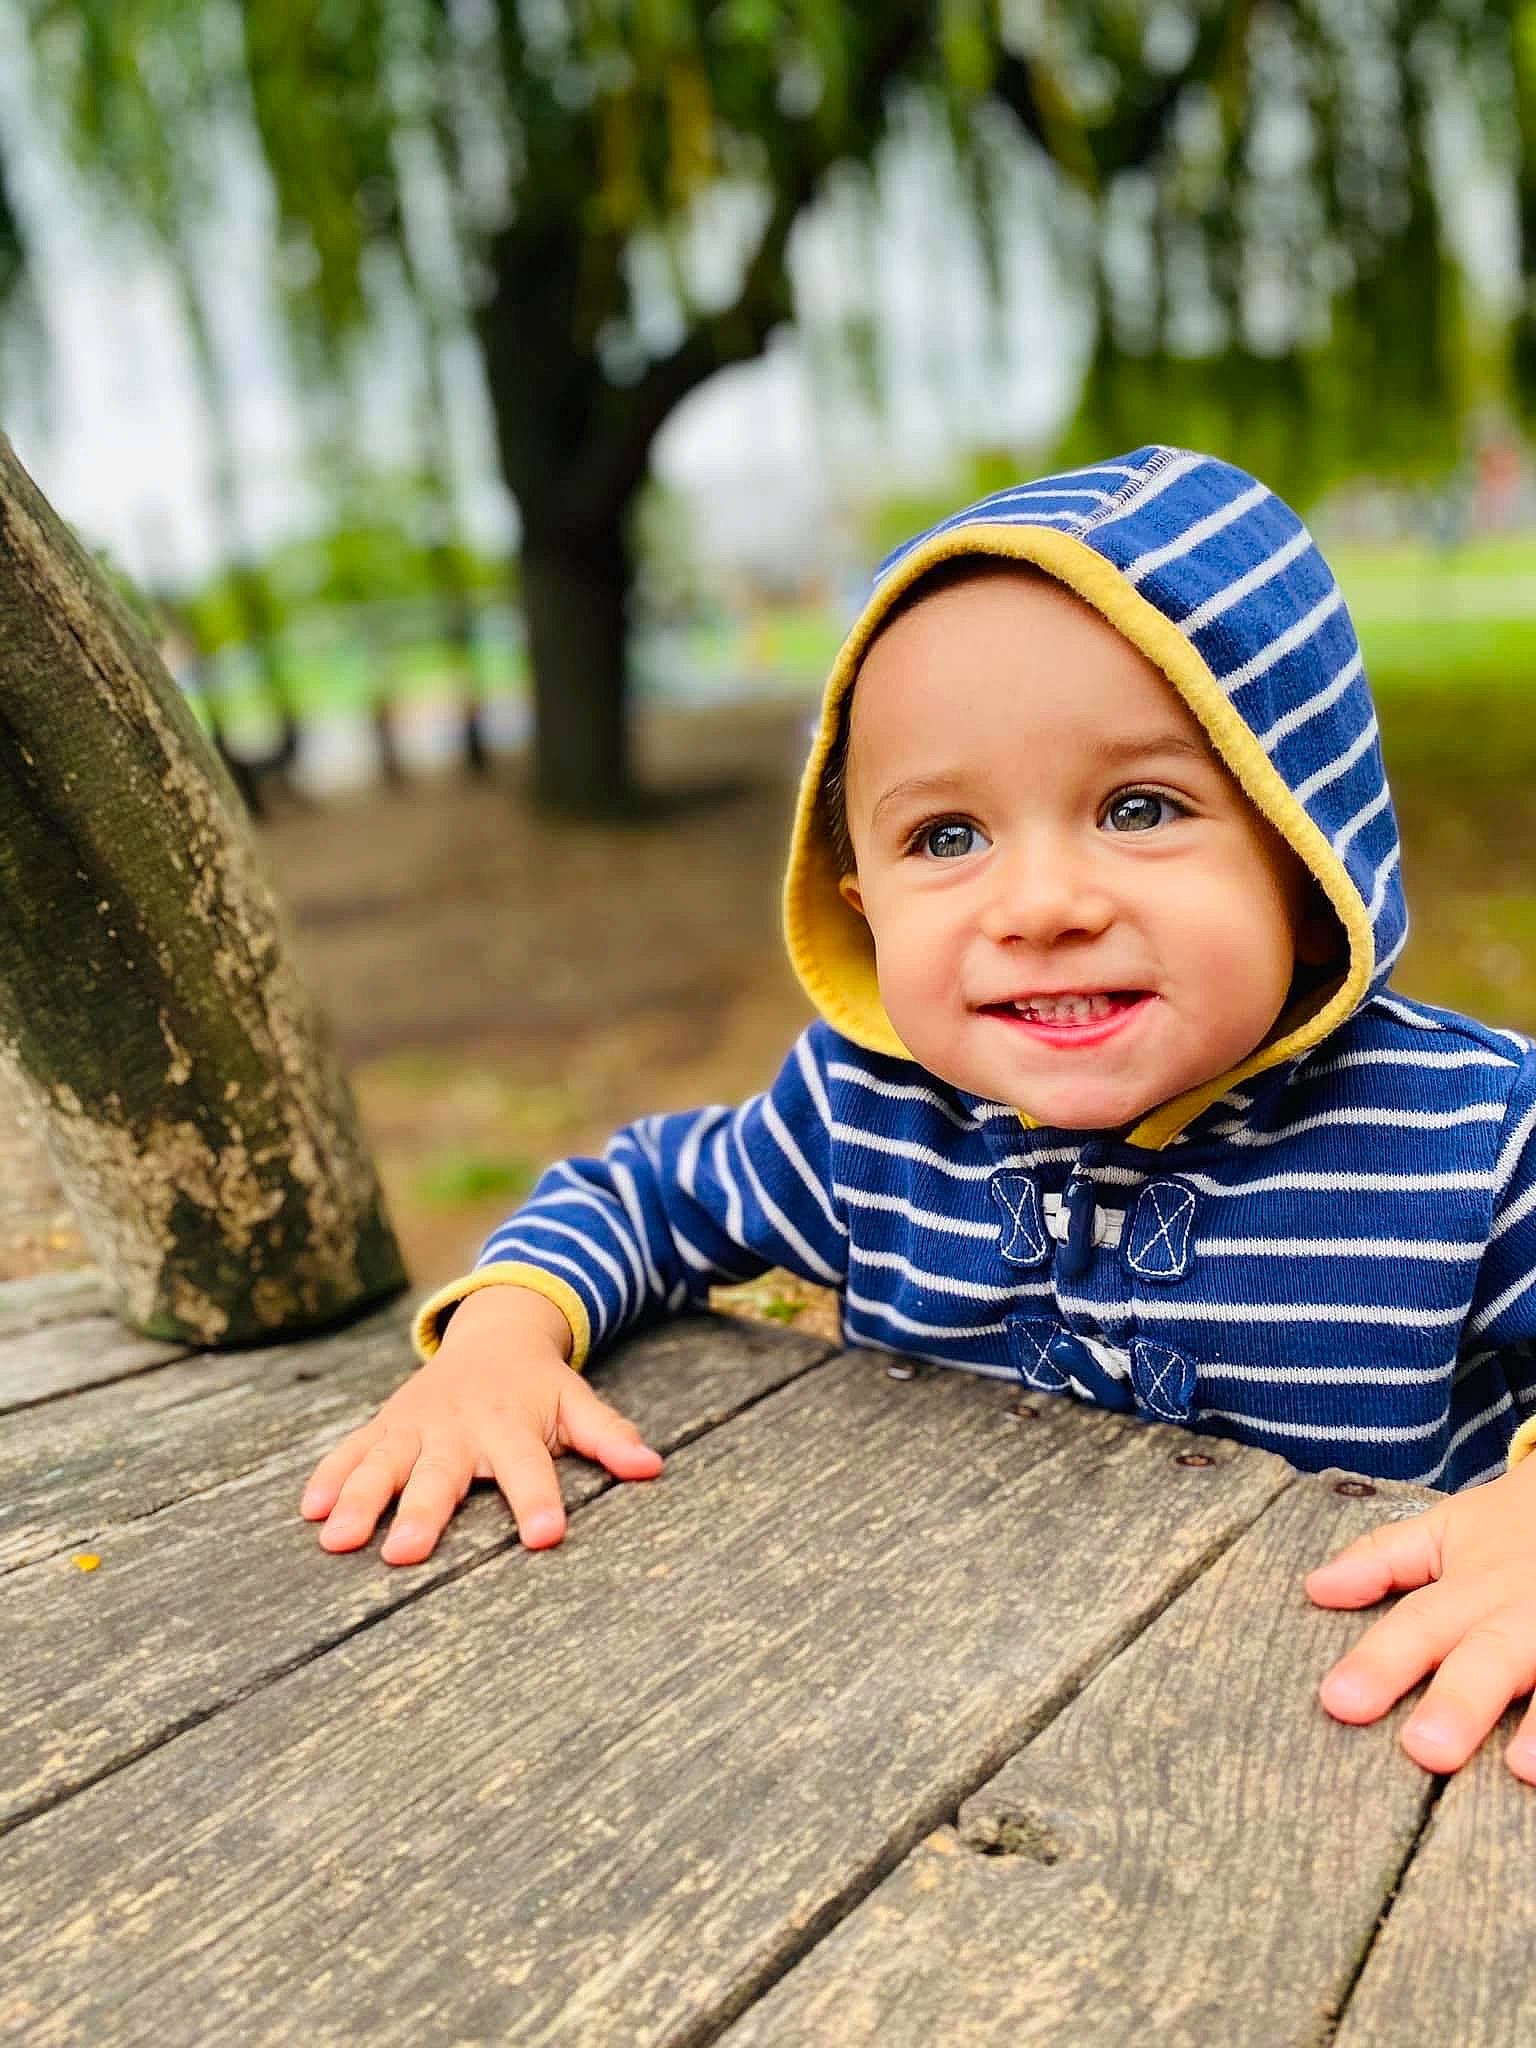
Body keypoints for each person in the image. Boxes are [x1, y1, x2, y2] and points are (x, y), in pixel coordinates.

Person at [302, 445, 1536, 1783]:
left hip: (1337, 1764)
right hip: (925, 1744)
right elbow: (641, 1194)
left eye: (1139, 808)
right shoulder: (870, 1114)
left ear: (1308, 862)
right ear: (861, 900)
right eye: (947, 837)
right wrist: (499, 1342)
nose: (1040, 904)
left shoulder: (1469, 1132)